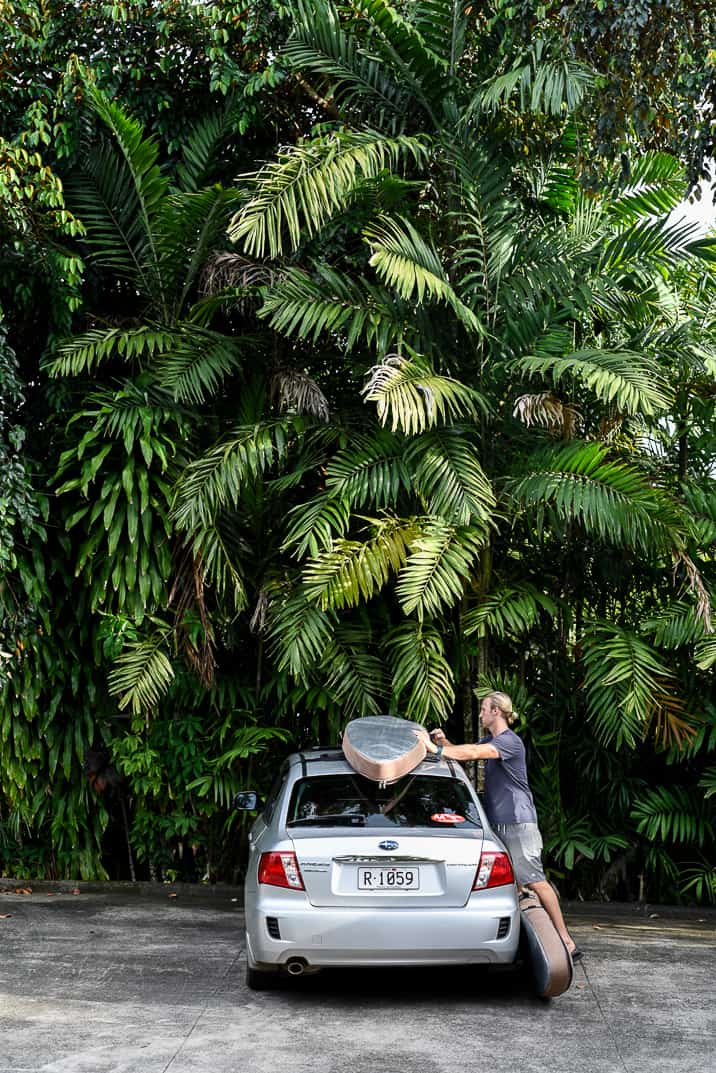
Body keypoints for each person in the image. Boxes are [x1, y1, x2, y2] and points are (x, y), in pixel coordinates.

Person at [418, 691, 582, 962]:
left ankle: (566, 941)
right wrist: (443, 743)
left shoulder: (509, 742)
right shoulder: (492, 740)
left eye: (483, 709)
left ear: (497, 712)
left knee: (535, 880)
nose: (480, 713)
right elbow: (465, 753)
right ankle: (524, 944)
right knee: (513, 885)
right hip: (499, 822)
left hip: (518, 822)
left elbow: (473, 752)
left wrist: (433, 748)